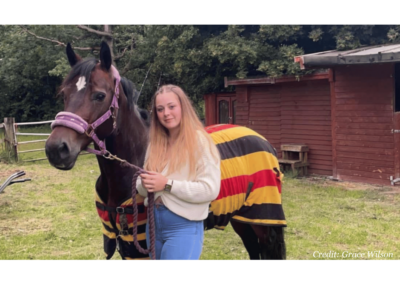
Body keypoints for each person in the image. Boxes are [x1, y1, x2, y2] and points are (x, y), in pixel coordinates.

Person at [136, 84, 221, 260]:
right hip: (153, 226)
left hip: (183, 227)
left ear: (183, 107)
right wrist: (144, 184)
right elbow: (142, 188)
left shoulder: (200, 141)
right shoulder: (155, 144)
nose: (166, 113)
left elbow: (210, 189)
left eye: (171, 106)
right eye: (160, 109)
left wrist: (166, 185)